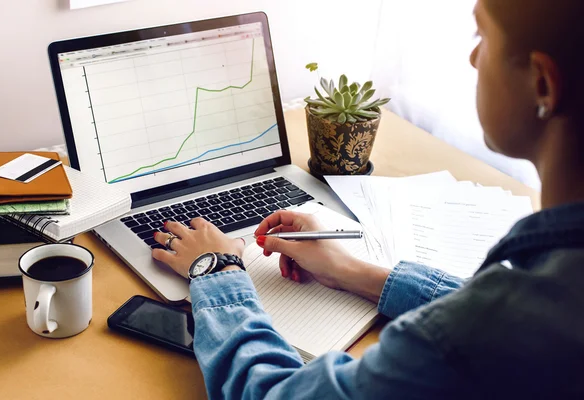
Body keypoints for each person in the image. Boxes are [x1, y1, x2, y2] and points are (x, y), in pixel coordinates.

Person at [152, 0, 584, 398]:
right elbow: (498, 329)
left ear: (542, 84)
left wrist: (218, 269)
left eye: (482, 37)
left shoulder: (479, 333)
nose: (473, 58)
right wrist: (351, 271)